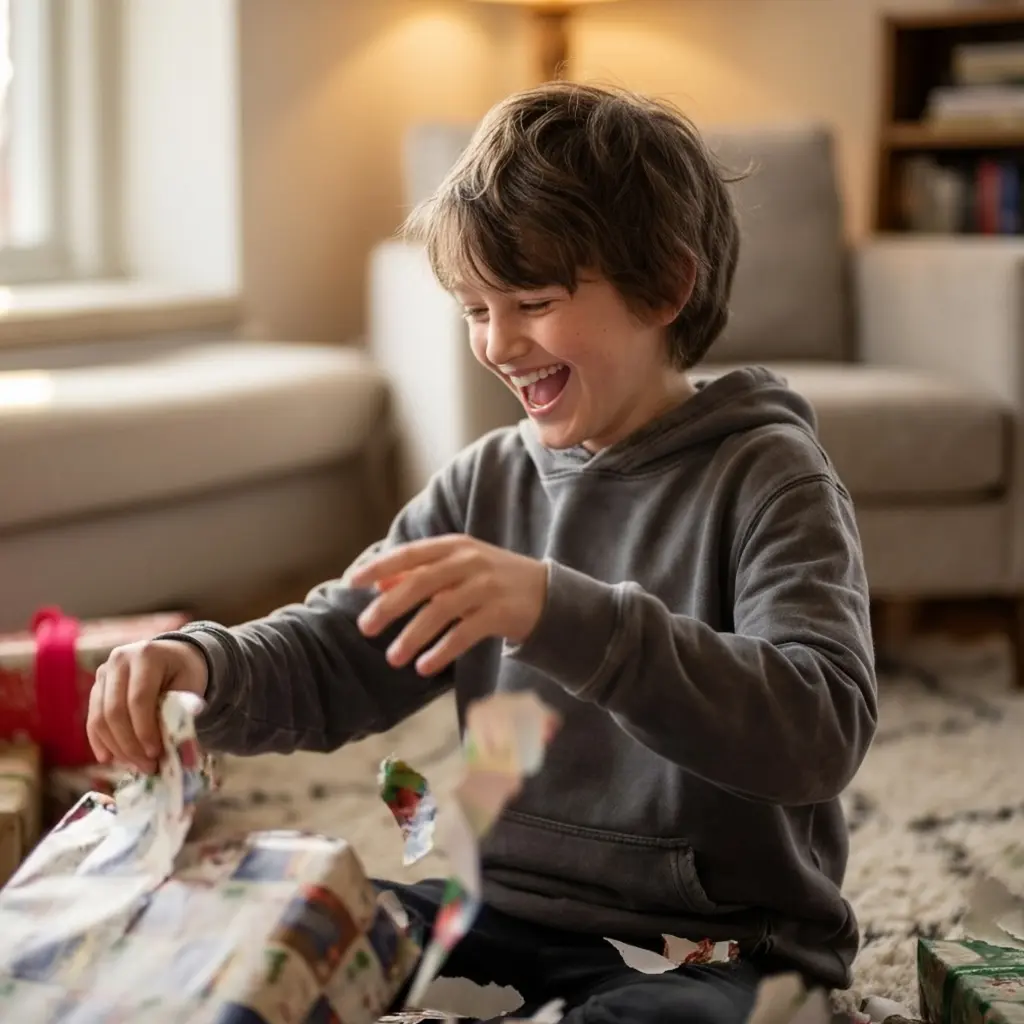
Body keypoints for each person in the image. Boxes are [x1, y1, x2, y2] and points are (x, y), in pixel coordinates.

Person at [86, 82, 877, 1024]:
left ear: (667, 285)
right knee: (264, 943)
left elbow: (818, 727)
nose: (498, 344)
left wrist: (560, 612)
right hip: (497, 910)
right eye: (474, 309)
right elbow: (341, 650)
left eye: (532, 302)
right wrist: (204, 666)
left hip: (715, 945)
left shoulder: (769, 477)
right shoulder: (483, 483)